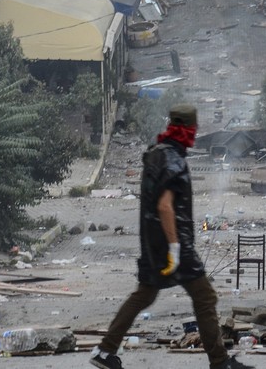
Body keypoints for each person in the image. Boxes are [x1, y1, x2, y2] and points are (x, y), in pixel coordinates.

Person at [90, 105, 252, 369]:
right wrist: (175, 247)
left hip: (153, 244)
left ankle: (104, 351)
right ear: (189, 128)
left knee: (144, 295)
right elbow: (165, 206)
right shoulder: (174, 159)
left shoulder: (156, 153)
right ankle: (220, 362)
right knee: (205, 297)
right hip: (173, 246)